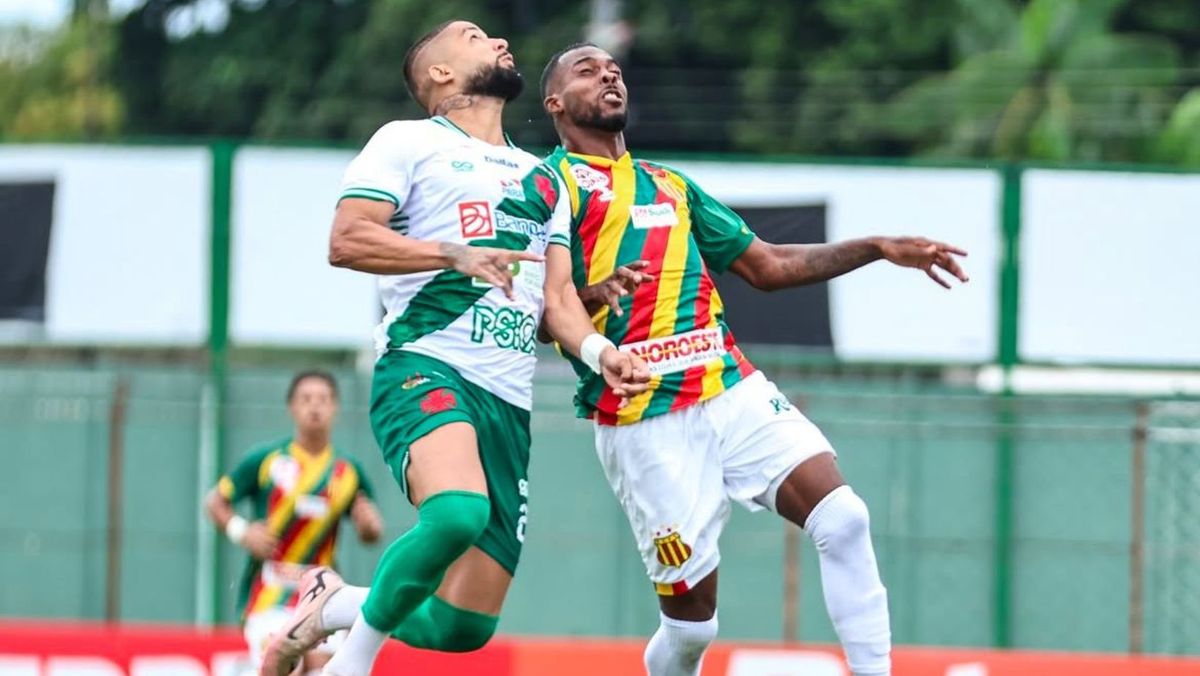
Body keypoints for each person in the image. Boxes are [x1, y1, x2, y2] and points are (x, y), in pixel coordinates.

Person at [539, 43, 971, 676]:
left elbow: (766, 266)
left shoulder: (671, 184)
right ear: (554, 103)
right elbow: (544, 304)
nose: (609, 73)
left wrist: (877, 247)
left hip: (729, 387)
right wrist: (594, 323)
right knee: (692, 629)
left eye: (616, 68)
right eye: (587, 69)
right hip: (645, 418)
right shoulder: (548, 184)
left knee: (845, 518)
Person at [259, 21, 650, 676]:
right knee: (457, 513)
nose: (497, 40)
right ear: (440, 73)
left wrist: (599, 351)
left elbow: (555, 305)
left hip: (507, 401)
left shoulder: (544, 180)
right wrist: (449, 253)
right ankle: (350, 665)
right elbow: (347, 239)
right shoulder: (408, 143)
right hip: (424, 366)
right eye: (474, 35)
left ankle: (330, 600)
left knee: (463, 627)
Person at [203, 370, 384, 676]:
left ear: (335, 408)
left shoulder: (348, 471)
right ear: (292, 407)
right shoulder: (267, 459)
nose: (315, 407)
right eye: (306, 399)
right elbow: (215, 502)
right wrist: (242, 531)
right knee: (289, 664)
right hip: (268, 595)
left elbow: (370, 530)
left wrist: (370, 526)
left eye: (323, 400)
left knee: (323, 668)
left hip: (321, 594)